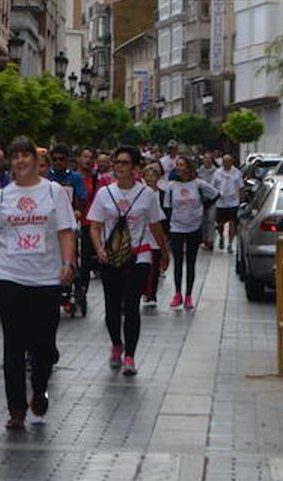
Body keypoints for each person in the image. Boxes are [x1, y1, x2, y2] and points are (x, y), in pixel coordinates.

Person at [0, 137, 77, 431]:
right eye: (14, 156)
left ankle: (40, 388)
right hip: (8, 274)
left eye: (25, 155)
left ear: (35, 159)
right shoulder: (2, 197)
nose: (20, 161)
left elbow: (66, 232)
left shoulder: (54, 192)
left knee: (44, 344)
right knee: (14, 343)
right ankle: (16, 408)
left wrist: (68, 263)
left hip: (45, 277)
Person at [87, 146, 169, 376]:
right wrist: (99, 248)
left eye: (124, 163)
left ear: (135, 167)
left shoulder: (147, 195)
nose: (119, 167)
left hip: (139, 255)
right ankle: (116, 344)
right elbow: (95, 226)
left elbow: (155, 226)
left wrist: (164, 252)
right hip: (111, 256)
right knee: (112, 307)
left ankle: (130, 356)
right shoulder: (104, 193)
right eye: (117, 162)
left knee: (131, 306)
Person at [164, 155, 218, 311]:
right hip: (176, 228)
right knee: (178, 262)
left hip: (194, 227)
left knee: (191, 262)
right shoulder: (171, 186)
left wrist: (203, 207)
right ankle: (177, 294)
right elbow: (167, 207)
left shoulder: (199, 184)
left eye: (182, 165)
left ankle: (188, 295)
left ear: (189, 167)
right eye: (177, 165)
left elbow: (215, 195)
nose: (179, 168)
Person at [141, 161, 169, 308]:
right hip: (142, 234)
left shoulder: (163, 194)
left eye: (153, 175)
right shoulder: (140, 193)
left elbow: (166, 215)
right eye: (147, 175)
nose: (150, 178)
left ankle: (152, 294)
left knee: (155, 263)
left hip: (157, 233)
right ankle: (145, 291)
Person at [212, 154, 244, 252]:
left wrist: (241, 200)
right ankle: (221, 237)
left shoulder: (237, 173)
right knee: (220, 224)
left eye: (228, 161)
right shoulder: (217, 173)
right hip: (220, 202)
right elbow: (213, 186)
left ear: (231, 162)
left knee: (232, 223)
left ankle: (230, 243)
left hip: (233, 202)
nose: (226, 163)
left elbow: (241, 187)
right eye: (224, 161)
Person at [47, 144, 88, 214]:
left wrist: (78, 210)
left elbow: (82, 198)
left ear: (67, 160)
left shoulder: (75, 177)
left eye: (61, 159)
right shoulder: (47, 176)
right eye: (54, 159)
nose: (58, 162)